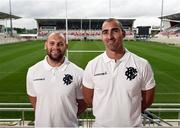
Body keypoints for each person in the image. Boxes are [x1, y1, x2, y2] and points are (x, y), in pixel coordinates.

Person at [82, 18, 155, 127]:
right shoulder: (92, 65)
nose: (110, 36)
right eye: (105, 32)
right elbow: (88, 99)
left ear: (123, 33)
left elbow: (147, 100)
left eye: (115, 31)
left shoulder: (142, 64)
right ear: (102, 36)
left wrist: (129, 115)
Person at [26, 32, 87, 127]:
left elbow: (83, 104)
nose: (56, 47)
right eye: (52, 43)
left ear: (66, 46)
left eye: (60, 44)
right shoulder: (33, 71)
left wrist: (67, 117)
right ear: (45, 45)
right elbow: (35, 103)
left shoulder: (78, 72)